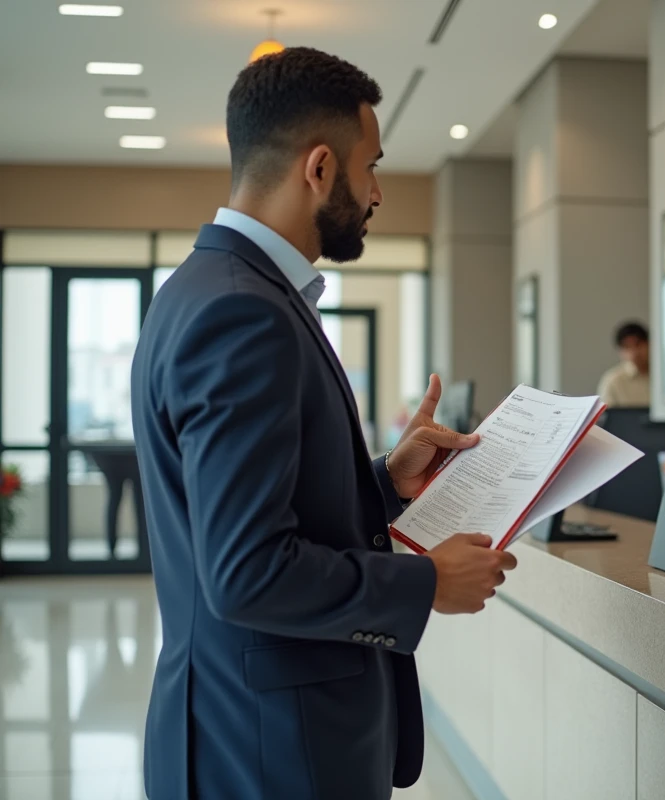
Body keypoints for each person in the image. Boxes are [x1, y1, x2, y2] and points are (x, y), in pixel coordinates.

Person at [130, 48, 516, 799]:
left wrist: (384, 477)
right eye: (369, 167)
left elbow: (250, 512)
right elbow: (246, 572)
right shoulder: (246, 313)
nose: (376, 193)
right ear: (318, 168)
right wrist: (424, 581)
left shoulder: (203, 290)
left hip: (244, 728)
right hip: (272, 749)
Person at [598, 321, 651, 407]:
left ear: (649, 344)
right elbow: (607, 417)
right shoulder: (613, 381)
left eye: (638, 344)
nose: (634, 352)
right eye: (627, 347)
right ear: (619, 351)